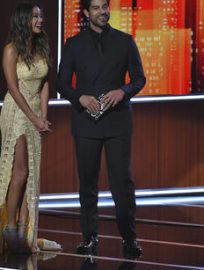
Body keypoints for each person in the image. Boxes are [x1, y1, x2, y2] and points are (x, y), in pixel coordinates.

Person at [57, 0, 145, 259]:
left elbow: (139, 79)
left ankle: (129, 238)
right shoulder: (73, 44)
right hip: (86, 122)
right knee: (88, 184)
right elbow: (62, 83)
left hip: (117, 121)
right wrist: (80, 98)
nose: (102, 12)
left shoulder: (125, 41)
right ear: (86, 12)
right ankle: (90, 237)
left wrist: (124, 91)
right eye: (96, 8)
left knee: (122, 184)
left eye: (105, 6)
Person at [0, 2, 61, 253]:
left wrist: (43, 116)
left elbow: (46, 83)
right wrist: (33, 118)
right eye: (35, 16)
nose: (40, 20)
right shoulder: (11, 49)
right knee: (21, 171)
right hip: (16, 111)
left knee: (33, 175)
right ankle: (10, 227)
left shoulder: (42, 47)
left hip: (36, 111)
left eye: (40, 15)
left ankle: (25, 231)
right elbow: (13, 89)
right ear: (23, 20)